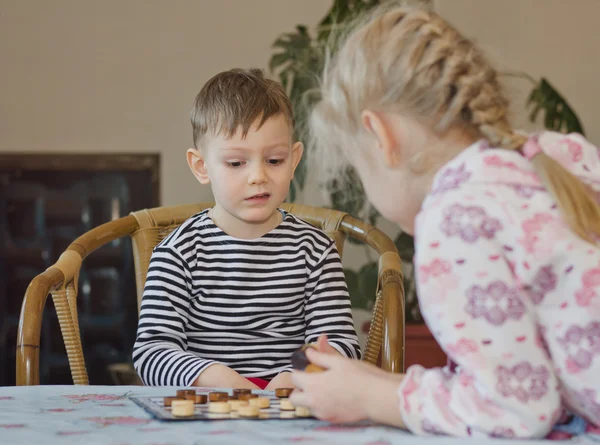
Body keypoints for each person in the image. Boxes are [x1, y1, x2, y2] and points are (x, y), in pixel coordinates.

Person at [289, 4, 600, 439]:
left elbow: (518, 411)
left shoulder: (456, 220)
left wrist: (372, 400)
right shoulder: (556, 155)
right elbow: (534, 379)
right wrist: (370, 383)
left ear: (381, 136)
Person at [132, 68, 361, 390]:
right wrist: (216, 377)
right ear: (202, 167)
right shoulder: (178, 252)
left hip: (291, 405)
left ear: (294, 159)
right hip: (208, 408)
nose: (258, 176)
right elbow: (151, 353)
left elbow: (342, 344)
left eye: (275, 160)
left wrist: (297, 374)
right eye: (237, 163)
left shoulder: (315, 250)